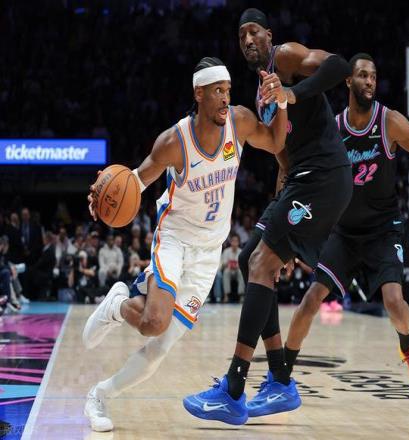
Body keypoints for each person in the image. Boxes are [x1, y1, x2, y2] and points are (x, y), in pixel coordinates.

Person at [82, 56, 289, 432]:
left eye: (228, 90)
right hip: (175, 239)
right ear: (199, 94)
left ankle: (99, 394)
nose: (225, 98)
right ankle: (118, 305)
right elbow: (135, 181)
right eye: (217, 91)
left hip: (209, 253)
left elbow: (276, 141)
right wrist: (100, 195)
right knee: (153, 323)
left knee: (160, 348)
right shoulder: (174, 141)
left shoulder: (240, 122)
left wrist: (283, 101)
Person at [183, 8, 352, 424]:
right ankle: (279, 380)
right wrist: (281, 199)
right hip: (300, 180)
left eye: (253, 32)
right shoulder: (261, 90)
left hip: (325, 176)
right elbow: (281, 148)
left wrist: (292, 93)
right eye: (241, 35)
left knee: (261, 263)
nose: (247, 40)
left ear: (268, 35)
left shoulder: (286, 56)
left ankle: (234, 387)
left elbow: (339, 65)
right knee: (250, 259)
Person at [282, 53, 409, 403]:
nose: (369, 81)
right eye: (363, 75)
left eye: (373, 76)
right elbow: (308, 180)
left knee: (394, 302)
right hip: (344, 232)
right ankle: (282, 373)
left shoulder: (389, 121)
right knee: (311, 299)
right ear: (348, 81)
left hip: (383, 229)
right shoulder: (333, 129)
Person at [221, 233, 245, 301]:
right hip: (229, 269)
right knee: (226, 272)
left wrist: (236, 265)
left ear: (238, 242)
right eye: (233, 241)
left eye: (236, 241)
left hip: (237, 270)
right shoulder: (226, 251)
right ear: (231, 242)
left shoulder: (241, 251)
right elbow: (223, 263)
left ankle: (241, 295)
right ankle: (226, 295)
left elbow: (242, 264)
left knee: (241, 272)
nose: (234, 243)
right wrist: (229, 264)